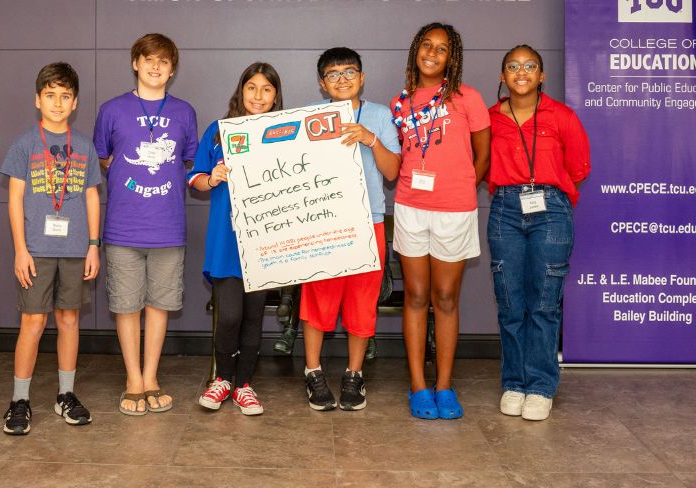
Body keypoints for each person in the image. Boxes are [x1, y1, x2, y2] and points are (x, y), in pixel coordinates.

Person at [93, 33, 198, 415]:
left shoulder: (185, 112)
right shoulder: (111, 110)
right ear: (135, 62)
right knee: (126, 306)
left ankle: (151, 377)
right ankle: (132, 379)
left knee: (159, 305)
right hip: (123, 227)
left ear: (172, 70)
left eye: (164, 62)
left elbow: (189, 162)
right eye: (148, 59)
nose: (155, 67)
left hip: (168, 227)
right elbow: (102, 159)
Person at [390, 22, 490, 420]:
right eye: (426, 45)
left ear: (453, 58)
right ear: (416, 49)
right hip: (411, 206)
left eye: (442, 48)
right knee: (415, 297)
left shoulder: (468, 98)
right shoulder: (402, 103)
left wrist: (463, 188)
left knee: (445, 299)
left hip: (455, 209)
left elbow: (482, 155)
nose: (432, 52)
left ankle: (444, 386)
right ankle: (418, 386)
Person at [487, 45, 590, 421]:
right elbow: (482, 165)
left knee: (544, 302)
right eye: (513, 66)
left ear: (541, 76)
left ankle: (541, 386)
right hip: (505, 211)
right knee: (511, 303)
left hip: (551, 211)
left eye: (530, 66)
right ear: (503, 76)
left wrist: (549, 192)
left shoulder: (561, 116)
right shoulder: (490, 119)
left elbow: (579, 167)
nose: (521, 72)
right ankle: (514, 382)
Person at [0, 63, 102, 434]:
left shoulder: (85, 145)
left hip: (75, 249)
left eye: (65, 96)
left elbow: (92, 197)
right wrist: (20, 250)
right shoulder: (25, 143)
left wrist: (93, 245)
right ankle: (19, 399)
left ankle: (65, 394)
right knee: (33, 322)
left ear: (74, 102)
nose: (57, 103)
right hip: (36, 250)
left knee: (69, 320)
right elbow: (14, 201)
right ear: (37, 99)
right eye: (50, 95)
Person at [299, 48, 401, 412]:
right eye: (333, 73)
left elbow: (392, 173)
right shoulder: (310, 117)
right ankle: (312, 371)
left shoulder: (379, 115)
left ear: (362, 76)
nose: (342, 79)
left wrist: (371, 139)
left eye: (349, 71)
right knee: (318, 300)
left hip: (368, 219)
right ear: (321, 83)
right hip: (324, 221)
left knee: (361, 302)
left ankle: (354, 374)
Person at [189, 62, 284, 416]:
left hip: (266, 242)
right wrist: (211, 178)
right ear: (240, 90)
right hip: (226, 241)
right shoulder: (218, 131)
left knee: (254, 316)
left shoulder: (285, 132)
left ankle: (244, 385)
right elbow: (195, 178)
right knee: (229, 315)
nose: (258, 96)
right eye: (252, 87)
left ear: (276, 96)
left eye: (266, 89)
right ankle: (223, 379)